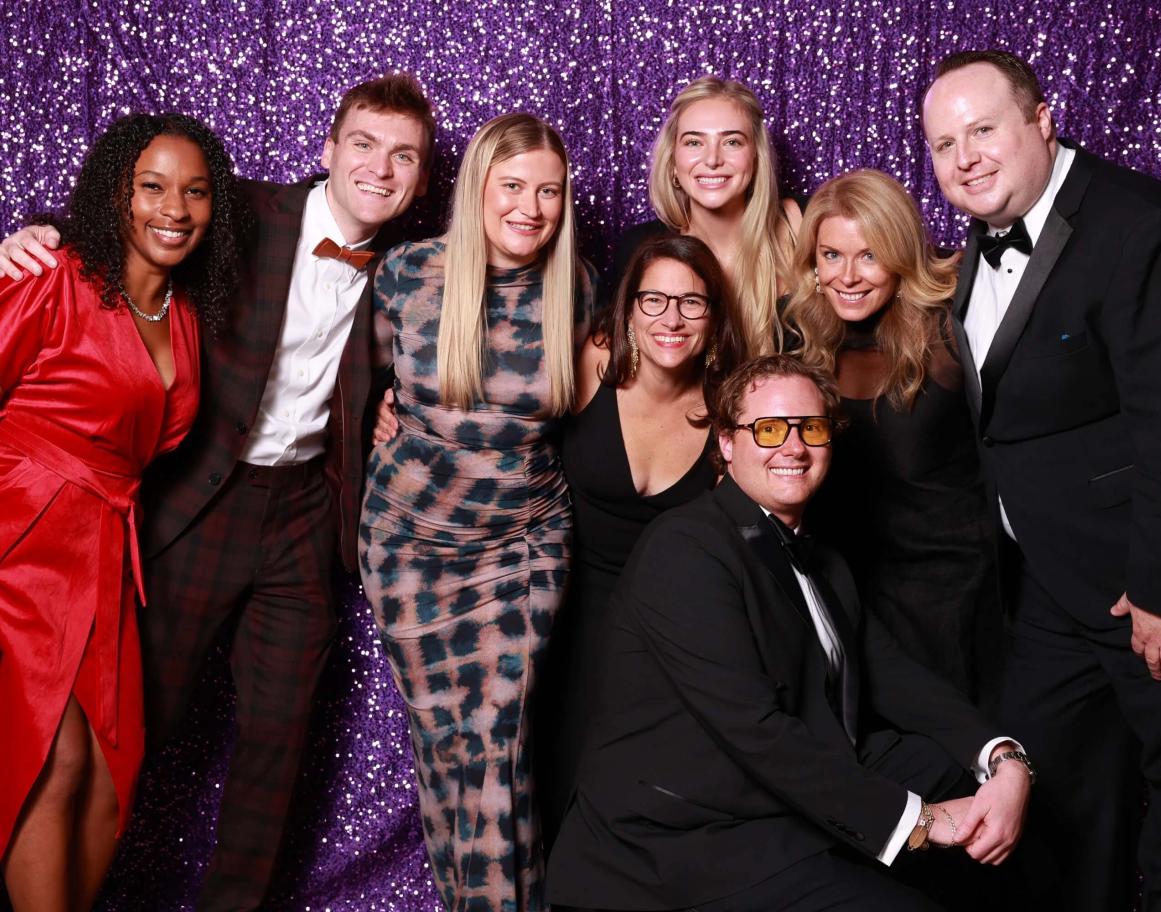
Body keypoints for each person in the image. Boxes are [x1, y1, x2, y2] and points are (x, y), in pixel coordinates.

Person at [0, 72, 436, 910]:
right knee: (120, 735)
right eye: (364, 145)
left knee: (279, 738)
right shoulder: (239, 211)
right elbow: (132, 207)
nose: (381, 169)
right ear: (327, 150)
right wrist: (34, 230)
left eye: (404, 157)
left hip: (306, 514)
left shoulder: (414, 277)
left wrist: (391, 412)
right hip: (193, 502)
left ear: (420, 180)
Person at [546, 354, 1032, 912]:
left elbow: (894, 676)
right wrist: (919, 822)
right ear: (727, 444)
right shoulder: (686, 550)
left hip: (777, 789)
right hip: (684, 837)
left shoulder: (821, 556)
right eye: (769, 429)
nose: (793, 448)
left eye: (812, 429)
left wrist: (1003, 758)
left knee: (965, 790)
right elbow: (758, 733)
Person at [921, 50, 1161, 911]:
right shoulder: (976, 243)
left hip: (1142, 592)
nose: (963, 157)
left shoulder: (1142, 226)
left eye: (982, 130)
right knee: (1053, 799)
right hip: (1044, 586)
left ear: (1042, 120)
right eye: (942, 144)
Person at [0, 112, 243, 912]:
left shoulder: (182, 318)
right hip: (19, 540)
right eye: (152, 186)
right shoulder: (51, 274)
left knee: (109, 773)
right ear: (117, 194)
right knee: (53, 756)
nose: (174, 207)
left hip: (103, 552)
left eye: (196, 191)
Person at [359, 112, 597, 912]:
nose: (532, 207)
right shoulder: (406, 273)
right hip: (407, 545)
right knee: (443, 749)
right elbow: (350, 377)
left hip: (521, 549)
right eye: (514, 187)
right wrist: (373, 419)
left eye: (550, 192)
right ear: (478, 189)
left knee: (496, 749)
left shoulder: (581, 287)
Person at [537, 234, 748, 848]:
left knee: (648, 800)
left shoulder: (730, 403)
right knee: (560, 782)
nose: (672, 320)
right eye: (653, 300)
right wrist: (386, 402)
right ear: (627, 308)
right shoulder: (591, 362)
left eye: (692, 303)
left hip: (671, 629)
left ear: (714, 317)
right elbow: (491, 416)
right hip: (568, 613)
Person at [780, 169, 1000, 700]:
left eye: (870, 255)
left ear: (901, 254)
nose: (848, 276)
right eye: (831, 255)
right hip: (845, 590)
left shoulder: (952, 330)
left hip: (948, 596)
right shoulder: (800, 334)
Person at [610, 76, 803, 355]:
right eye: (693, 143)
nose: (712, 159)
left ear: (756, 158)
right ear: (674, 162)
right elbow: (620, 358)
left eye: (732, 142)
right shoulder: (641, 250)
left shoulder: (805, 224)